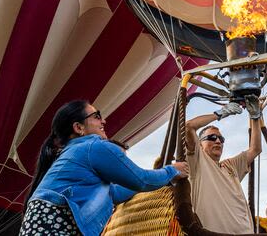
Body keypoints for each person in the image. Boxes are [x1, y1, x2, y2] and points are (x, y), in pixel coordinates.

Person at [20, 100, 189, 236]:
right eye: (97, 116)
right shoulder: (94, 146)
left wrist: (159, 181)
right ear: (79, 128)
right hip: (55, 227)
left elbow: (114, 193)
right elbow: (141, 180)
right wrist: (172, 171)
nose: (104, 121)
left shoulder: (72, 153)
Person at [185, 101, 262, 233]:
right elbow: (189, 126)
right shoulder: (197, 161)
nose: (218, 141)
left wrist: (255, 117)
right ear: (200, 144)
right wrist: (221, 113)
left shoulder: (230, 166)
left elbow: (255, 149)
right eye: (212, 137)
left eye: (221, 139)